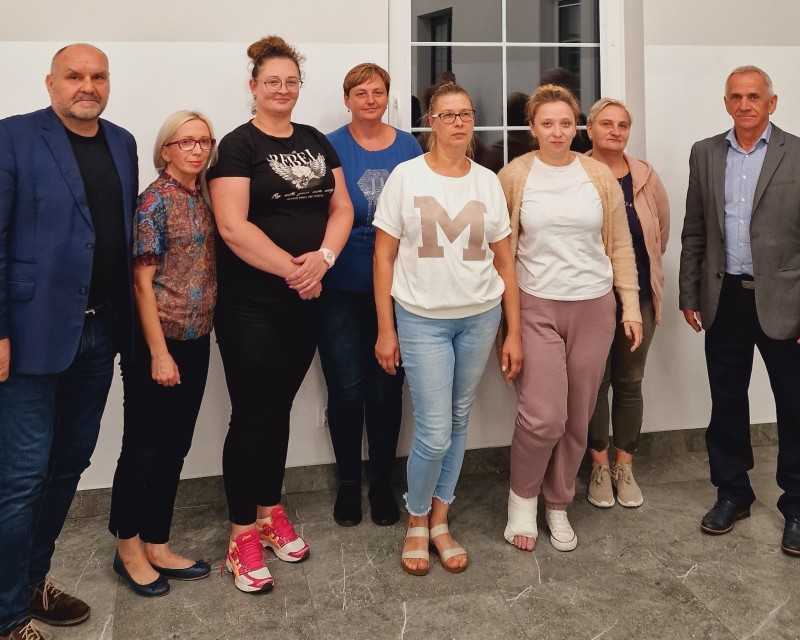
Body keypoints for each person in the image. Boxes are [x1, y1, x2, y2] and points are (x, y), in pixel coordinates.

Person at [0, 44, 137, 639]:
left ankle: (31, 581)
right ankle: (8, 614)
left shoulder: (123, 143)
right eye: (74, 76)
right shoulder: (12, 137)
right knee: (22, 475)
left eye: (98, 76)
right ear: (50, 82)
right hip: (30, 336)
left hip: (99, 332)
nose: (88, 85)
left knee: (69, 463)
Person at [208, 35, 353, 593]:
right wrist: (297, 272)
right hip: (251, 306)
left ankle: (269, 513)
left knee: (278, 410)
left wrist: (324, 259)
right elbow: (232, 226)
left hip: (306, 302)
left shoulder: (315, 140)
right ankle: (241, 534)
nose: (283, 89)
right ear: (253, 86)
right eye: (272, 81)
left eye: (292, 81)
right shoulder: (236, 145)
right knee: (251, 414)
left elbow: (341, 207)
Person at [373, 81, 522, 576]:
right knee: (434, 432)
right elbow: (383, 257)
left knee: (458, 421)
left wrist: (514, 331)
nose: (459, 122)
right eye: (448, 115)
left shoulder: (487, 182)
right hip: (421, 319)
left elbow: (505, 261)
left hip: (480, 316)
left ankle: (440, 520)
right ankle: (416, 519)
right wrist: (386, 329)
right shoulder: (406, 176)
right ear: (431, 122)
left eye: (466, 114)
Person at [498, 84, 642, 553]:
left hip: (594, 308)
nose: (557, 132)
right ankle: (522, 502)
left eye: (565, 123)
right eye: (547, 123)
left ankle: (557, 503)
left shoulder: (597, 175)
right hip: (535, 306)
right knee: (544, 417)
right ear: (533, 128)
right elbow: (501, 253)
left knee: (578, 417)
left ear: (577, 127)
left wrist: (631, 306)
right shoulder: (514, 176)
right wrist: (507, 324)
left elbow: (619, 244)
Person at [679, 65, 800, 556]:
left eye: (754, 96)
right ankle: (732, 493)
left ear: (772, 102)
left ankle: (797, 506)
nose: (744, 104)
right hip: (724, 296)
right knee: (726, 399)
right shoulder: (705, 152)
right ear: (726, 102)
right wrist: (689, 293)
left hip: (786, 302)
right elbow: (694, 229)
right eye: (736, 96)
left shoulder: (797, 152)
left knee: (794, 404)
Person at [107, 111, 218, 597]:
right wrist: (157, 352)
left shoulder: (202, 196)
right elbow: (141, 283)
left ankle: (157, 542)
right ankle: (127, 547)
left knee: (175, 446)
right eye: (185, 141)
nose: (197, 149)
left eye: (204, 141)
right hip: (158, 342)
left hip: (196, 339)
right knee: (143, 447)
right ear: (165, 150)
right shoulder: (153, 200)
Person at [321, 63, 423, 527]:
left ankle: (381, 482)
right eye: (360, 93)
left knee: (386, 387)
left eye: (378, 92)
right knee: (346, 388)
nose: (369, 100)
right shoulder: (328, 146)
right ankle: (348, 483)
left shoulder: (408, 146)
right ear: (346, 99)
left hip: (398, 288)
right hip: (340, 288)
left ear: (388, 97)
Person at [585, 98, 670, 509]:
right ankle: (598, 465)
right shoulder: (577, 171)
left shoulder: (645, 176)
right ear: (589, 130)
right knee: (595, 383)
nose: (615, 131)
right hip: (591, 298)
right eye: (606, 123)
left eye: (622, 124)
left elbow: (660, 235)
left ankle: (624, 465)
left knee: (630, 381)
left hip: (639, 297)